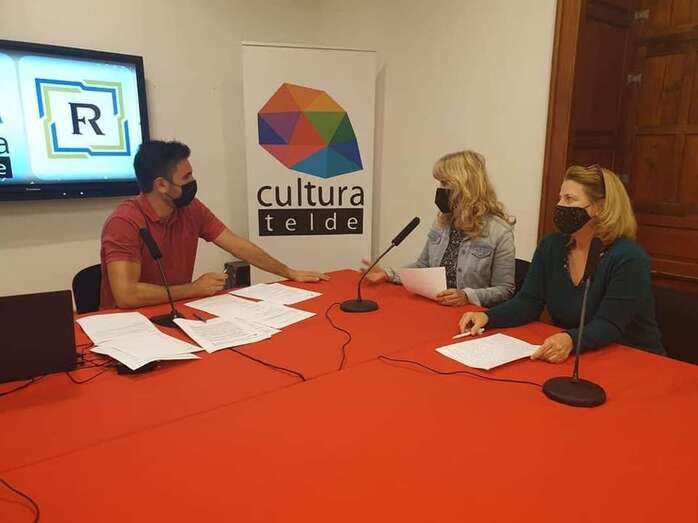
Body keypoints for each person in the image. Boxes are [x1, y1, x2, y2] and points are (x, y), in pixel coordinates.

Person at [458, 165, 664, 362]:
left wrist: (569, 340)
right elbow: (528, 302)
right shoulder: (552, 246)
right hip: (578, 355)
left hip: (634, 358)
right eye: (560, 198)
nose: (560, 205)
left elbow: (609, 324)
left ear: (600, 208)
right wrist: (489, 318)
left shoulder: (628, 257)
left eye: (569, 199)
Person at [99, 140, 328, 309]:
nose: (193, 182)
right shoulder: (124, 222)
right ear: (161, 185)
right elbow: (126, 295)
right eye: (186, 177)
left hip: (174, 310)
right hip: (124, 325)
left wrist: (289, 272)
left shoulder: (190, 208)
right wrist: (192, 289)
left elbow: (236, 244)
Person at [362, 150, 515, 307]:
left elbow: (505, 290)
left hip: (470, 313)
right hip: (435, 305)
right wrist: (388, 274)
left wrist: (467, 296)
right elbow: (423, 267)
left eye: (445, 183)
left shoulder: (499, 232)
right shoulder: (442, 222)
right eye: (440, 183)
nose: (441, 189)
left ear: (466, 187)